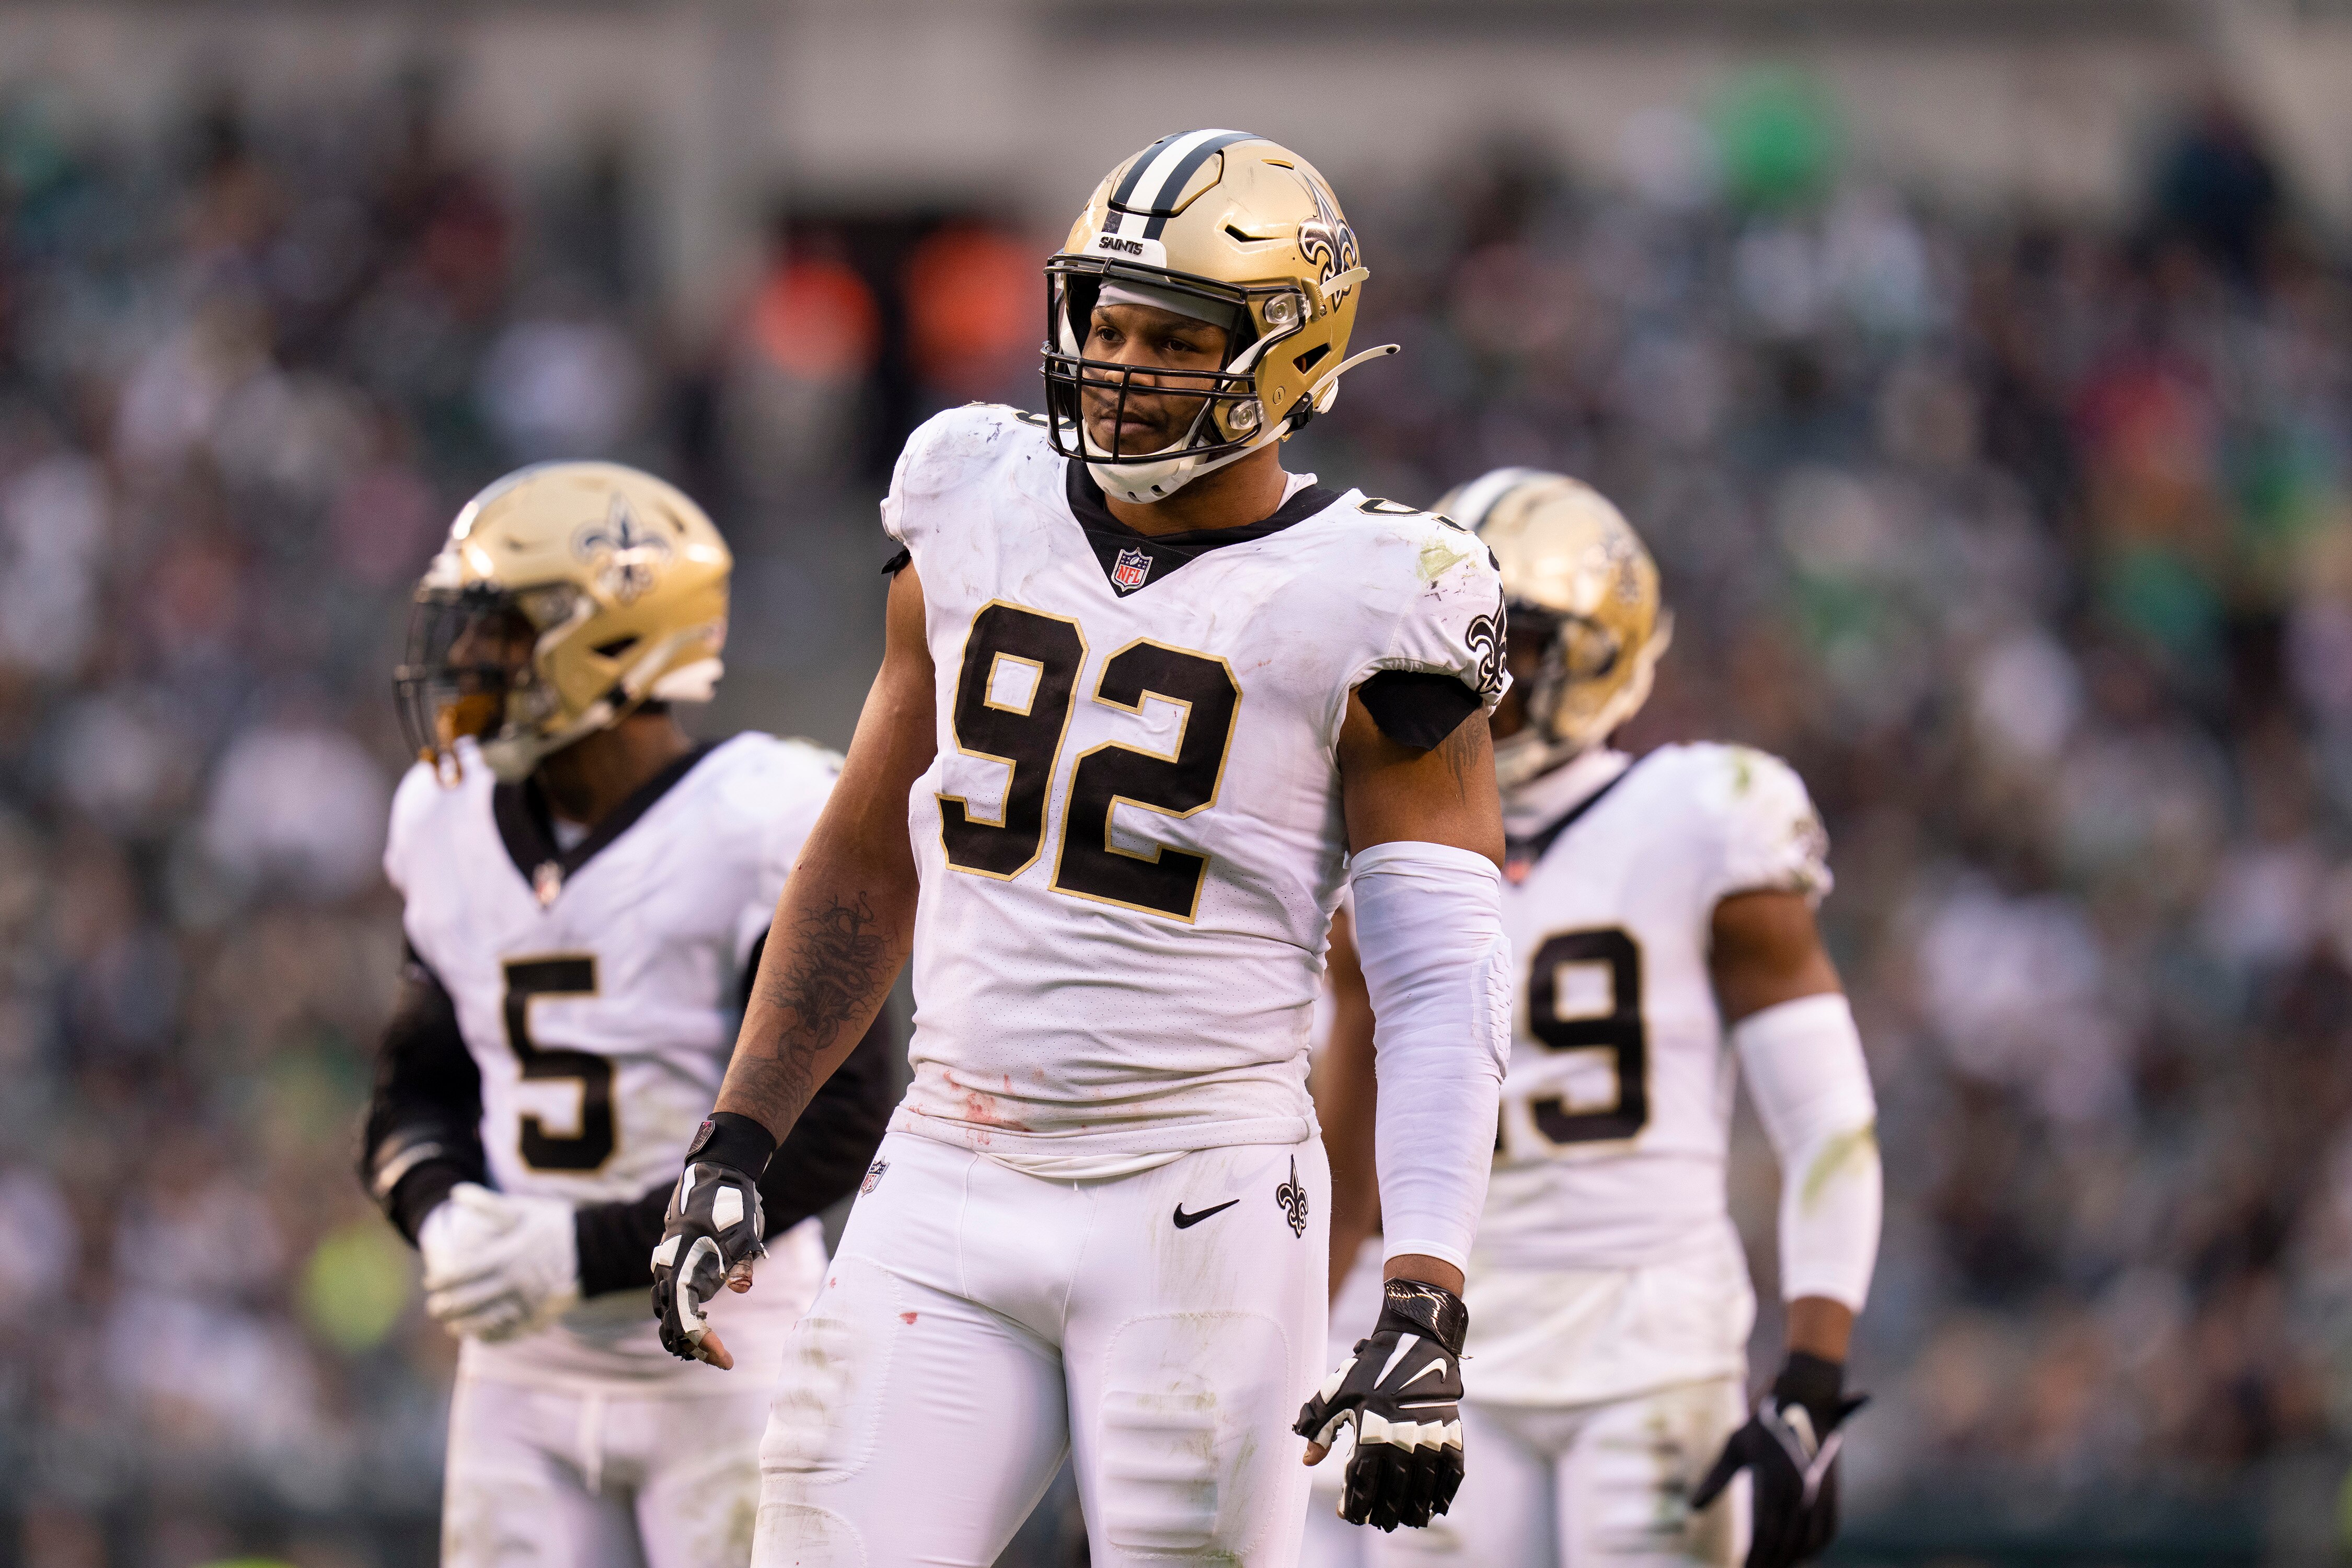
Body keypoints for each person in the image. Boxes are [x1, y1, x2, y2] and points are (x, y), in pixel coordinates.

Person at [647, 131, 1517, 1567]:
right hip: (948, 1161)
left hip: (1202, 1193)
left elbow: (1437, 980)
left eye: (1169, 338)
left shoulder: (1382, 590)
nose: (1115, 365)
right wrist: (738, 1133)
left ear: (1289, 358)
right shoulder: (968, 493)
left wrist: (1423, 1292)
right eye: (1101, 323)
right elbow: (869, 850)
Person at [1318, 469, 1883, 1568]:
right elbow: (1345, 1153)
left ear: (1594, 653)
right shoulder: (1367, 834)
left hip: (1649, 1337)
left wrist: (1814, 1374)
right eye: (1453, 634)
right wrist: (1299, 1333)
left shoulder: (1704, 816)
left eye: (1508, 641)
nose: (1473, 669)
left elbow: (1828, 1120)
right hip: (1440, 1340)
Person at [360, 462, 894, 1568]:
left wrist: (583, 1251)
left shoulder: (761, 816)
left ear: (613, 640)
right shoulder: (443, 814)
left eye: (501, 631)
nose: (466, 660)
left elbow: (844, 1116)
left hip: (725, 1354)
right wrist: (442, 1208)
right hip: (519, 1363)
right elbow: (418, 1086)